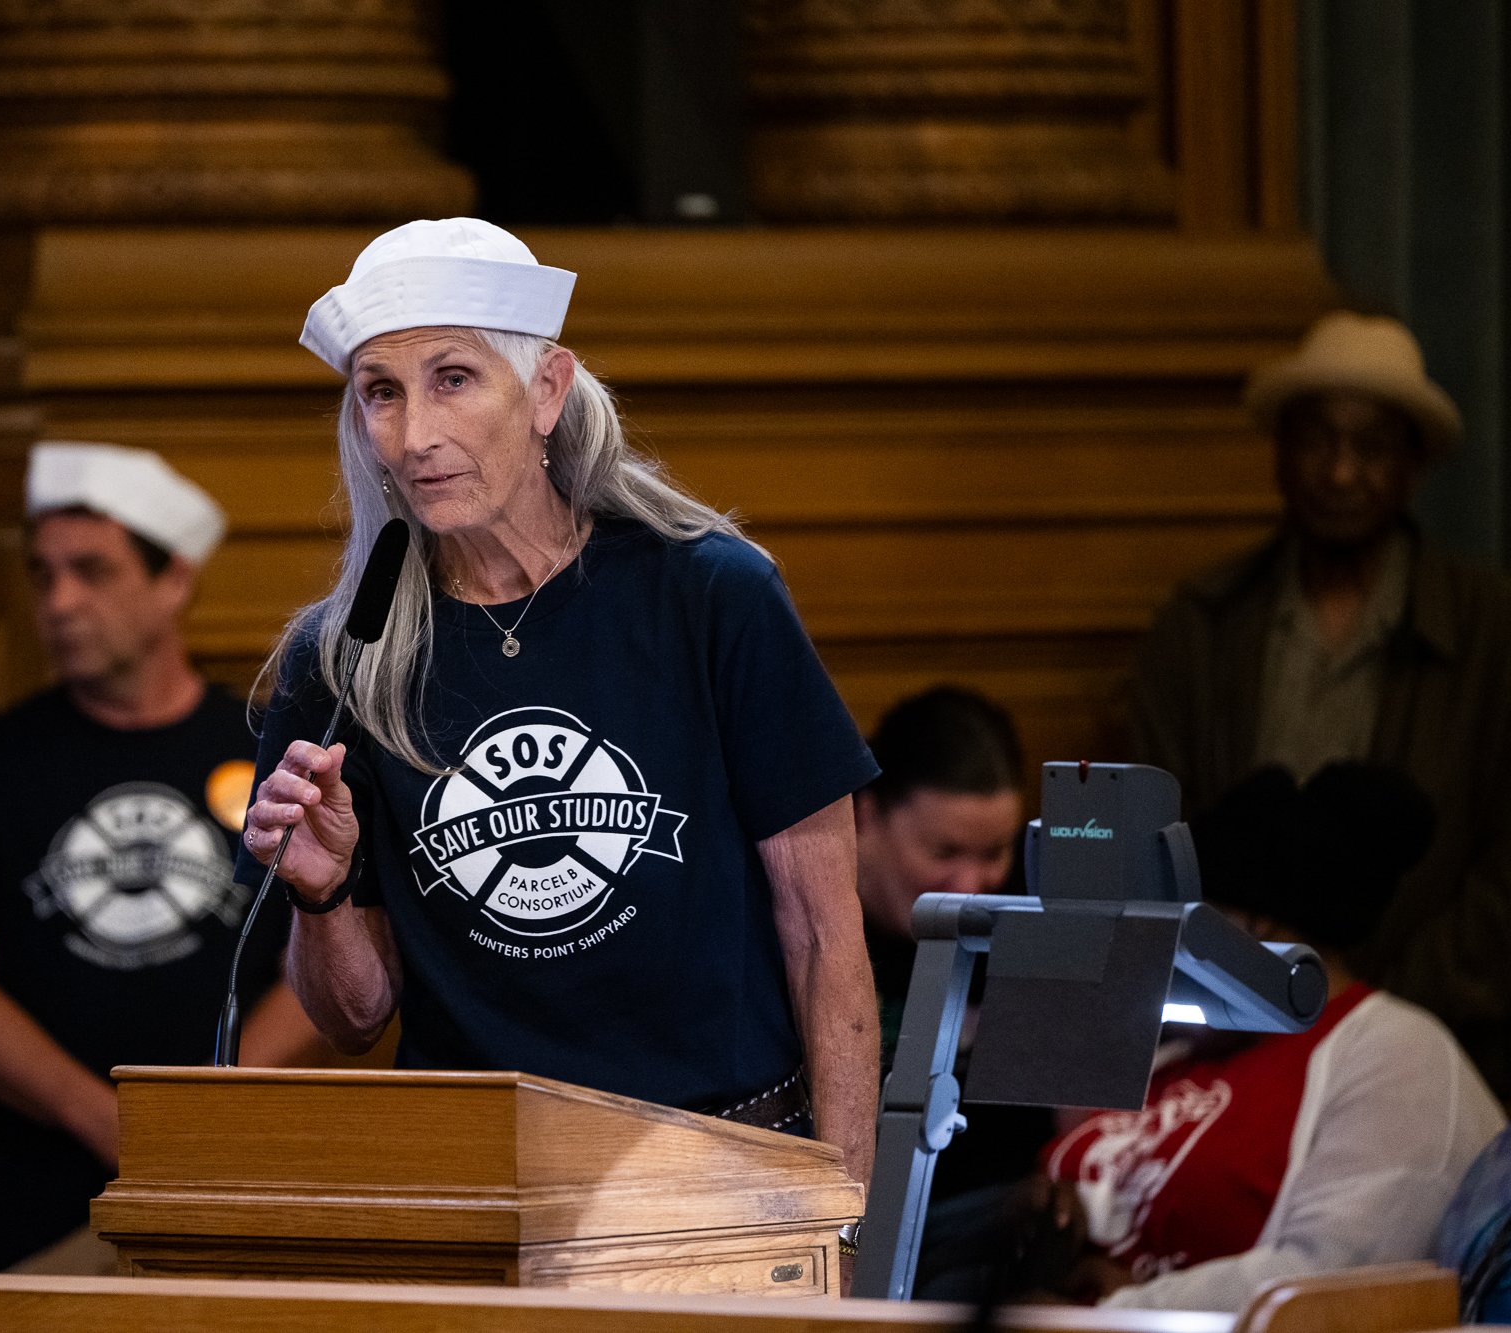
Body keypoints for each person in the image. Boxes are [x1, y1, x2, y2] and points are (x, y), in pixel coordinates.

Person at [238, 218, 884, 1177]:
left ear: (547, 390)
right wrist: (324, 891)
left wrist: (846, 1224)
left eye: (453, 379)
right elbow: (355, 1017)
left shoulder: (712, 597)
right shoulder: (340, 661)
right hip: (479, 1185)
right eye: (382, 394)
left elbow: (827, 938)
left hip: (726, 1168)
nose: (416, 436)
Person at [0, 442, 327, 1274]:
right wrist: (111, 1120)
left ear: (175, 581)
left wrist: (190, 1114)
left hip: (227, 1192)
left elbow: (328, 962)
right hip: (26, 1214)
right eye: (43, 574)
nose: (59, 601)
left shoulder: (277, 752)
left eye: (93, 570)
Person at [1128, 311, 1511, 1099]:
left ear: (1412, 465)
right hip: (1220, 1044)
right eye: (1316, 440)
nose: (1340, 472)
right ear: (1280, 453)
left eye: (1370, 446)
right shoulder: (1203, 624)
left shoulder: (1486, 629)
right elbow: (1150, 840)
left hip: (1433, 1040)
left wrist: (1366, 1004)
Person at [1045, 763, 1504, 1312]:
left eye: (1175, 921)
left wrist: (1120, 1309)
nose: (1153, 948)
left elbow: (1331, 1283)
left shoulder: (1397, 1053)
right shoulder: (1181, 1048)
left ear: (1251, 922)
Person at [854, 686, 1052, 1202]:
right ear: (865, 817)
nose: (969, 888)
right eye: (944, 851)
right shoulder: (797, 934)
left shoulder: (1034, 919)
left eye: (993, 853)